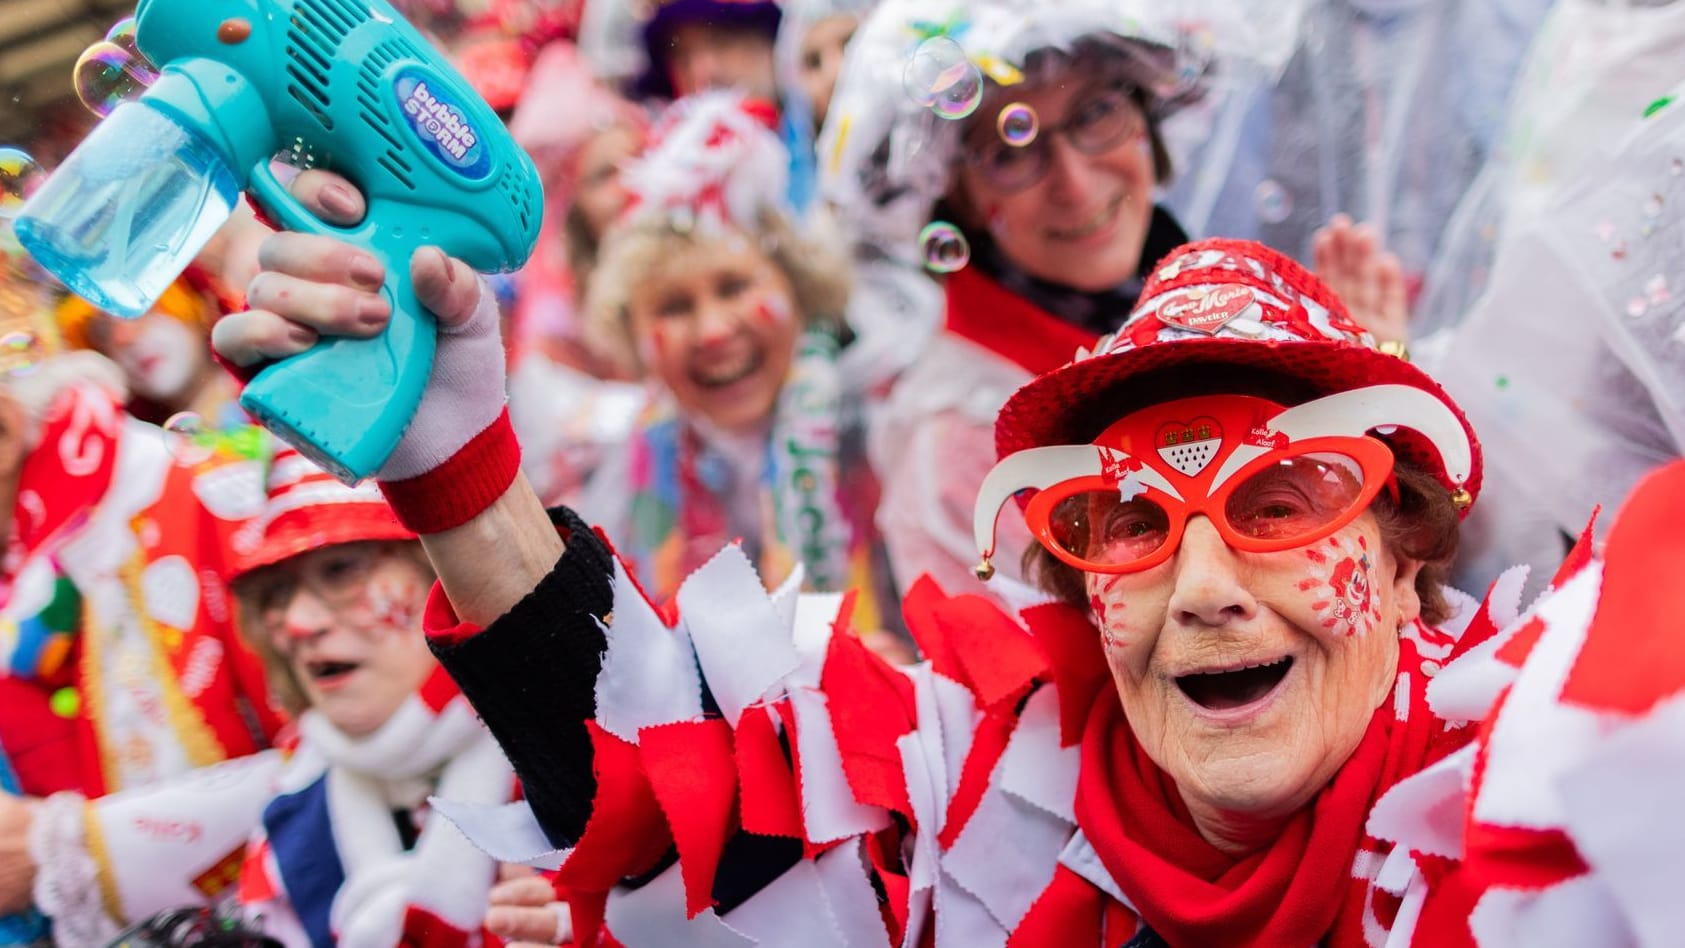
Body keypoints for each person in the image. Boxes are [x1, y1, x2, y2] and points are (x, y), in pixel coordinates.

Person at [212, 134, 1685, 941]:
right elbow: (676, 782)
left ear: (1414, 547)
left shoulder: (1554, 777)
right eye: (1124, 526)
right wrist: (457, 477)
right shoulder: (972, 825)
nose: (1206, 591)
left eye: (1281, 501)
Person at [817, 0, 1209, 607]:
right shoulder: (962, 448)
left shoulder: (1216, 307)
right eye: (1011, 152)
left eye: (1097, 112)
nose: (1075, 184)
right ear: (957, 201)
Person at [226, 450, 514, 947]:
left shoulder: (575, 756)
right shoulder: (292, 809)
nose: (299, 624)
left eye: (340, 571)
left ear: (445, 574)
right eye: (275, 593)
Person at [54, 265, 247, 429]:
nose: (124, 338)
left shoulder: (267, 379)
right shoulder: (151, 458)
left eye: (139, 307)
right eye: (101, 333)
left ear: (202, 303)